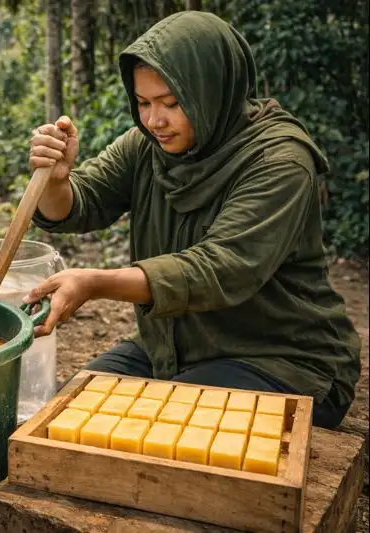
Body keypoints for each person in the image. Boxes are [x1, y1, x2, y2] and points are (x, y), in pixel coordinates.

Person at [24, 11, 360, 429]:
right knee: (66, 416)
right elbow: (79, 203)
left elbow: (222, 268)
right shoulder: (148, 147)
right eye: (143, 103)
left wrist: (94, 283)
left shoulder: (281, 161)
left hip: (281, 357)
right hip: (171, 346)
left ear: (211, 88)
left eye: (171, 102)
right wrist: (57, 180)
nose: (154, 121)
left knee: (158, 427)